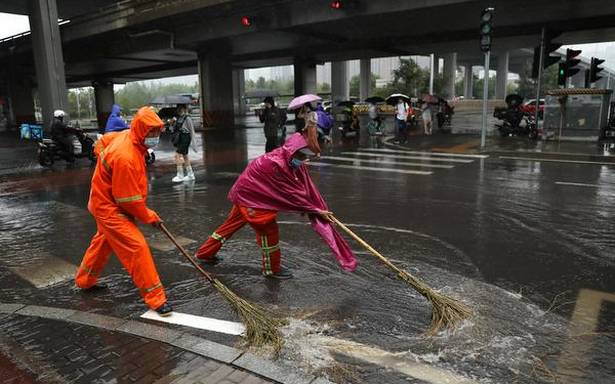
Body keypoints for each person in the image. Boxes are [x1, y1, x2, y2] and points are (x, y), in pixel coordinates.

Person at [195, 132, 357, 279]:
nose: (304, 160)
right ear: (292, 152)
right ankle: (272, 269)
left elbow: (301, 188)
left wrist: (316, 207)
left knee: (229, 226)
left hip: (245, 195)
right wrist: (314, 210)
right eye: (301, 156)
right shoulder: (276, 164)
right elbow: (291, 194)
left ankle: (204, 253)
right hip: (253, 200)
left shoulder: (286, 159)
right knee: (268, 232)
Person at [75, 106, 172, 317]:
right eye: (152, 132)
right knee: (136, 247)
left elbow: (101, 143)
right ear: (142, 130)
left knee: (103, 242)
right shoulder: (126, 157)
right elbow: (128, 200)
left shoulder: (128, 136)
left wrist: (103, 166)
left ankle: (85, 280)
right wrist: (149, 216)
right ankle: (156, 299)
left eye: (157, 131)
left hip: (103, 200)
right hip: (110, 207)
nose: (156, 136)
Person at [171, 105, 197, 182]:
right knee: (185, 156)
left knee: (177, 155)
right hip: (180, 138)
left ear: (184, 109)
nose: (179, 110)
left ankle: (180, 175)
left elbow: (192, 130)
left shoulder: (187, 118)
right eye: (178, 109)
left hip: (185, 137)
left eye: (181, 108)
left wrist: (194, 143)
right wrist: (172, 123)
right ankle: (190, 174)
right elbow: (174, 129)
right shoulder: (178, 118)